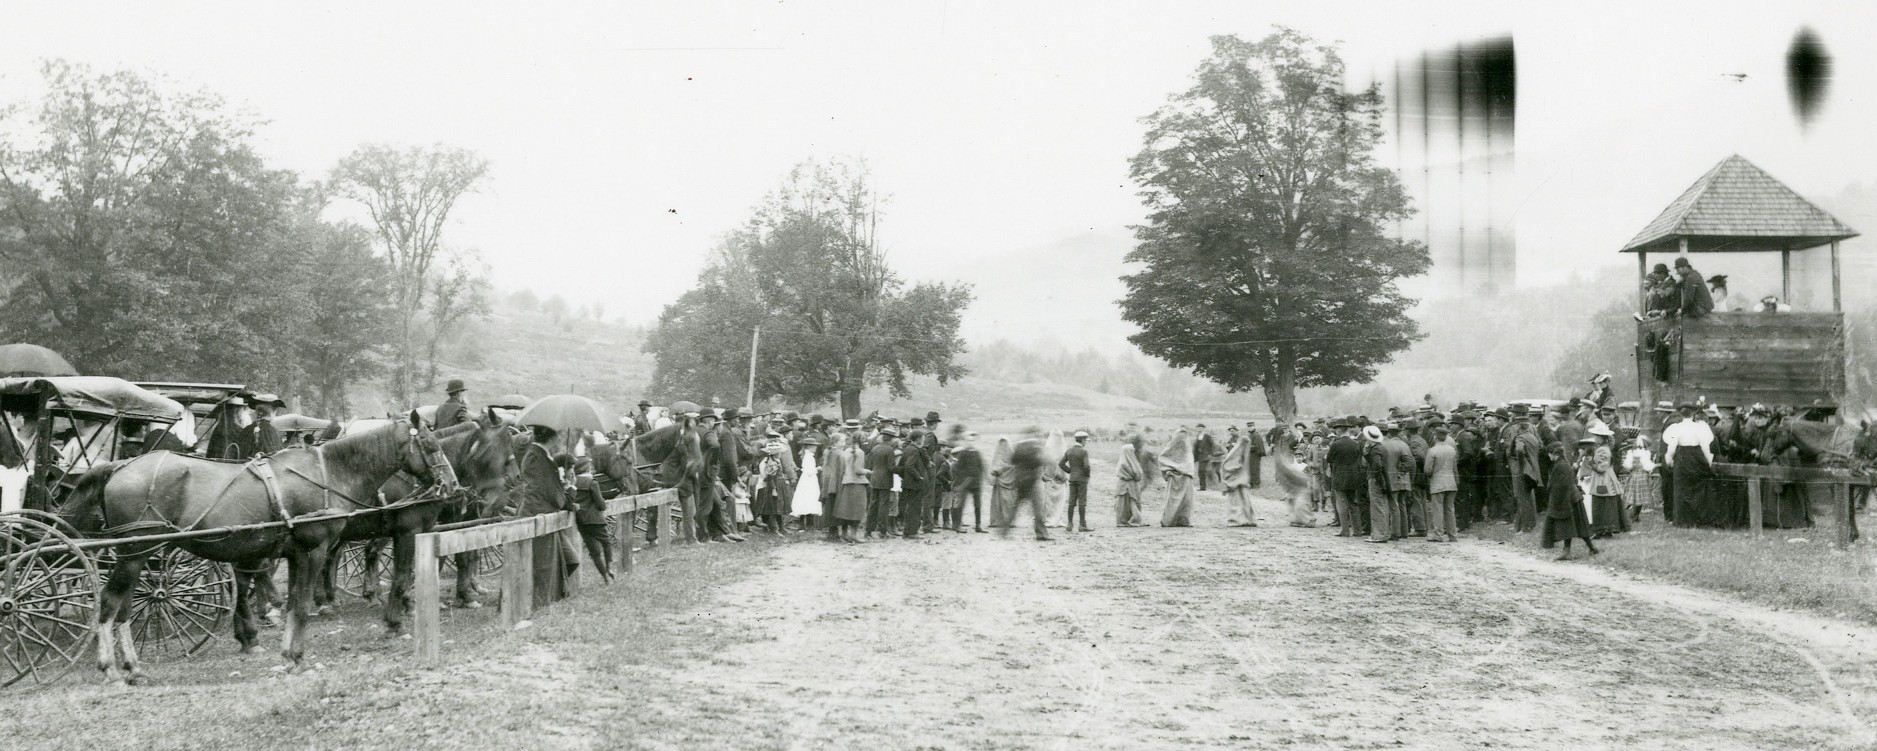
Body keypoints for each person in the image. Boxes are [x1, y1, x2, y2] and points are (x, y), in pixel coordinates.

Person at [518, 425, 580, 607]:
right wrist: (569, 492)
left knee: (569, 560)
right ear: (552, 438)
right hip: (538, 514)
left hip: (546, 513)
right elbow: (548, 490)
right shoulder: (537, 456)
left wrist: (565, 488)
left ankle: (550, 597)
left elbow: (551, 488)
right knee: (542, 566)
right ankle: (540, 603)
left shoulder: (541, 455)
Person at [1541, 441, 1599, 560]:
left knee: (1571, 525)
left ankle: (1576, 550)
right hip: (1572, 497)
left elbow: (1560, 486)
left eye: (1549, 454)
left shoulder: (1560, 466)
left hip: (1567, 499)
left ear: (1554, 454)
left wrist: (1558, 503)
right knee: (1577, 526)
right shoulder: (1563, 463)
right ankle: (1590, 548)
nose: (1548, 456)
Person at [1662, 402, 1717, 527]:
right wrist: (1708, 462)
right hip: (1696, 458)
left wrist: (1668, 461)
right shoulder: (1699, 428)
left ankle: (1683, 520)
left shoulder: (1676, 428)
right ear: (1693, 413)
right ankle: (1698, 519)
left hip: (1682, 459)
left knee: (1681, 489)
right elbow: (1705, 447)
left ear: (1681, 414)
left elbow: (1671, 448)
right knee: (1698, 488)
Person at [998, 427, 1053, 541]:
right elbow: (1041, 461)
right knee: (1038, 509)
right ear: (1034, 434)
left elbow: (1013, 460)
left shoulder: (1019, 446)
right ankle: (1041, 533)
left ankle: (1004, 531)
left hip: (1021, 481)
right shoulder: (1036, 447)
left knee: (1015, 508)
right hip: (1033, 481)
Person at [569, 456, 616, 584]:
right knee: (606, 543)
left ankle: (605, 576)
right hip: (595, 519)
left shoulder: (572, 483)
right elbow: (601, 504)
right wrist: (603, 505)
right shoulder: (592, 482)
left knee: (594, 552)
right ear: (587, 468)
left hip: (581, 521)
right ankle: (609, 566)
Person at [825, 432, 869, 543]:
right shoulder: (860, 452)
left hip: (846, 483)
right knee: (858, 510)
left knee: (846, 511)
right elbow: (858, 470)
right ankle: (853, 535)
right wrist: (869, 471)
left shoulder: (846, 451)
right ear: (861, 440)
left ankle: (844, 534)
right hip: (857, 483)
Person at [1581, 439, 1629, 537]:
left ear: (1601, 438)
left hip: (1603, 481)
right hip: (1606, 480)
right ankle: (1605, 530)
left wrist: (1590, 462)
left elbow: (1601, 468)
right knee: (1606, 505)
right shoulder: (1604, 448)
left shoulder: (1601, 450)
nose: (1595, 439)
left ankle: (1604, 530)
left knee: (1602, 505)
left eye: (1596, 437)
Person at [1325, 420, 1366, 538]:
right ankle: (1357, 530)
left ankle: (1345, 530)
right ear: (1348, 430)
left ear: (1338, 430)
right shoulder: (1356, 443)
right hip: (1354, 477)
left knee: (1341, 503)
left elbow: (1329, 459)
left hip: (1339, 477)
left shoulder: (1335, 444)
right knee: (1354, 503)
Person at [1424, 425, 1460, 542]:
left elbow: (1427, 470)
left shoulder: (1432, 451)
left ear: (1435, 437)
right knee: (1450, 509)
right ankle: (1452, 535)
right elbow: (1455, 468)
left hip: (1437, 483)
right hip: (1451, 482)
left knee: (1438, 509)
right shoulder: (1452, 450)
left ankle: (1438, 534)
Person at [1513, 409, 1546, 533]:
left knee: (1523, 499)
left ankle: (1526, 527)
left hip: (1524, 471)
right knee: (1529, 497)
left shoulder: (1520, 438)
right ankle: (1528, 525)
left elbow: (1520, 450)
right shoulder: (1533, 437)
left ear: (1517, 426)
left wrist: (1521, 461)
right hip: (1534, 471)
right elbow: (1541, 446)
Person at [1157, 429, 1198, 527]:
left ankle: (1182, 520)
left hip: (1183, 477)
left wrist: (1171, 469)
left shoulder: (1187, 450)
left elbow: (1189, 464)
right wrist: (1170, 470)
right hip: (1176, 477)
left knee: (1185, 500)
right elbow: (1162, 459)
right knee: (1175, 500)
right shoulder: (1171, 448)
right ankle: (1170, 520)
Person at [865, 426, 900, 539]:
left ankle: (868, 530)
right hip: (885, 480)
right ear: (891, 438)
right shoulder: (889, 450)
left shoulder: (875, 448)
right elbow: (891, 467)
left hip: (874, 478)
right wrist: (901, 469)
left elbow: (869, 464)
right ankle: (882, 531)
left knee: (873, 504)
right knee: (883, 506)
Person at [949, 431, 986, 532]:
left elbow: (981, 467)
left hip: (976, 483)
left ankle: (978, 525)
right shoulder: (963, 454)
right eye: (969, 440)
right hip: (965, 483)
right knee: (961, 504)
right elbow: (958, 468)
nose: (971, 442)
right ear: (965, 441)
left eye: (973, 440)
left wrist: (983, 479)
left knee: (978, 505)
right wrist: (962, 482)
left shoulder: (977, 453)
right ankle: (957, 525)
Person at [1220, 428, 1257, 527]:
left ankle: (1247, 519)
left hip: (1241, 483)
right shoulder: (1233, 455)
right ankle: (1236, 520)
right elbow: (1228, 467)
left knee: (1245, 501)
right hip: (1235, 483)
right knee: (1236, 503)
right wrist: (1235, 478)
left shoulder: (1243, 454)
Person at [1057, 430, 1092, 532]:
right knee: (1082, 501)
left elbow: (1061, 464)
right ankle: (1082, 525)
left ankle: (1070, 524)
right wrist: (1087, 475)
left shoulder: (1069, 451)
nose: (1085, 442)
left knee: (1071, 502)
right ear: (1082, 440)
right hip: (1082, 479)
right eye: (1085, 440)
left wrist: (1070, 471)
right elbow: (1087, 466)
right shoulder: (1084, 452)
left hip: (1073, 478)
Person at [1115, 433, 1147, 527]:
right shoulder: (1125, 464)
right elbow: (1137, 474)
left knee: (1126, 503)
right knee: (1128, 503)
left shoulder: (1124, 462)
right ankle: (1127, 520)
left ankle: (1127, 519)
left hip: (1126, 485)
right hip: (1129, 485)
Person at [1193, 425, 1218, 491]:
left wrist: (1210, 454)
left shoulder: (1207, 436)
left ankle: (1203, 487)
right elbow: (1196, 448)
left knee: (1202, 470)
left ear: (1203, 429)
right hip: (1199, 456)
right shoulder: (1198, 436)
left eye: (1201, 428)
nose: (1199, 429)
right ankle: (1202, 486)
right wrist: (1195, 458)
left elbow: (1213, 445)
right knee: (1200, 471)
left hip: (1206, 456)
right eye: (1198, 428)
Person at [1243, 421, 1267, 489]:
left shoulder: (1256, 435)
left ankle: (1256, 484)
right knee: (1250, 469)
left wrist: (1247, 447)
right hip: (1250, 455)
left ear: (1254, 427)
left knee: (1255, 469)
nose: (1249, 428)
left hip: (1255, 455)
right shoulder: (1250, 435)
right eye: (1248, 427)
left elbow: (1256, 446)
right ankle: (1251, 483)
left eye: (1251, 426)